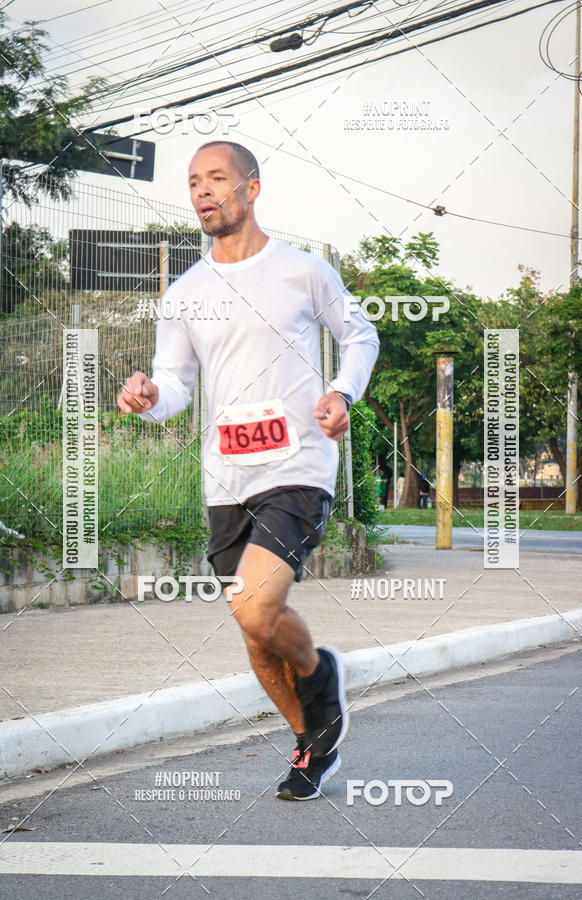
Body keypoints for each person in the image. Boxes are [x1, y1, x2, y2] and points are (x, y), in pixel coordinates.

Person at [117, 141, 379, 800]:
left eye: (217, 179)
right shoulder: (185, 293)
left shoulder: (303, 271)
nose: (203, 192)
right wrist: (150, 397)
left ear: (251, 188)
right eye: (193, 182)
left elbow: (360, 334)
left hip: (297, 465)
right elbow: (176, 386)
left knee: (257, 606)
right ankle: (311, 743)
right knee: (256, 631)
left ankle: (320, 679)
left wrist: (342, 392)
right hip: (226, 479)